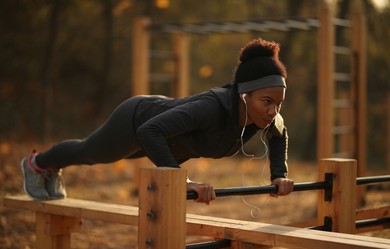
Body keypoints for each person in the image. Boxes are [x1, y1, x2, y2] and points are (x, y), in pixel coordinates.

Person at [21, 37, 294, 204]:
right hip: (137, 119)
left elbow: (280, 135)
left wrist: (279, 174)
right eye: (267, 102)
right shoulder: (210, 108)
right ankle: (37, 164)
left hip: (161, 139)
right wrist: (182, 182)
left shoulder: (266, 117)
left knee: (101, 153)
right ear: (244, 94)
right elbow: (149, 130)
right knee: (90, 153)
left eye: (278, 103)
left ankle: (48, 166)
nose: (273, 111)